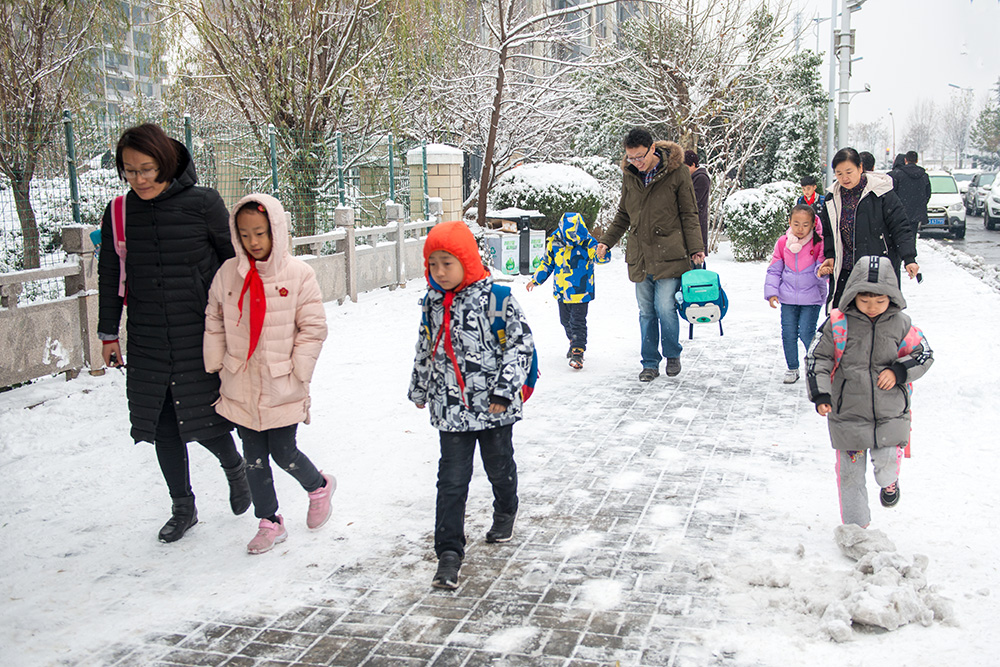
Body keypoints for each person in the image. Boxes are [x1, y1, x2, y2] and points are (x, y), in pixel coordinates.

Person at [97, 123, 249, 544]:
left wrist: (239, 326)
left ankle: (233, 466)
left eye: (146, 169)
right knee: (162, 425)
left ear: (166, 163)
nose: (139, 179)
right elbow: (110, 274)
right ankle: (183, 507)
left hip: (198, 333)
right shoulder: (120, 213)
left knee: (206, 418)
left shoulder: (204, 203)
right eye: (129, 171)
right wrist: (108, 333)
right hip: (146, 336)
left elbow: (232, 266)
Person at [203, 194, 333, 554]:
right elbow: (214, 316)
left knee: (283, 452)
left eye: (260, 233)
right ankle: (269, 521)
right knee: (253, 457)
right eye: (244, 235)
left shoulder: (298, 274)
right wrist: (216, 359)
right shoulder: (229, 273)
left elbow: (313, 328)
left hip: (282, 382)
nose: (253, 242)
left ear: (276, 230)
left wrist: (299, 371)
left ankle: (318, 486)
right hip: (240, 381)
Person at [408, 220, 534, 590]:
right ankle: (448, 552)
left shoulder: (497, 299)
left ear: (466, 259)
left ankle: (505, 508)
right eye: (433, 264)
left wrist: (503, 392)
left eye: (448, 263)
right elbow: (425, 347)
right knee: (451, 481)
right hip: (450, 410)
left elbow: (520, 345)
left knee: (499, 467)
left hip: (495, 409)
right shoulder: (432, 303)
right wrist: (419, 388)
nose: (440, 272)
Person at [805, 255, 933, 527]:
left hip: (890, 413)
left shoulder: (902, 324)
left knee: (885, 467)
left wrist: (899, 371)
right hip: (848, 414)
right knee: (850, 476)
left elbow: (925, 353)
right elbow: (818, 357)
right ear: (853, 295)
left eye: (880, 300)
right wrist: (821, 394)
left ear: (892, 298)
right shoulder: (837, 324)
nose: (872, 307)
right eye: (865, 300)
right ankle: (857, 528)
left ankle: (889, 483)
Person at [596, 128, 705, 381]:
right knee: (646, 311)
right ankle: (649, 363)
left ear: (652, 149)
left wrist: (696, 248)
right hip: (641, 255)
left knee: (665, 307)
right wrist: (606, 242)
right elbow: (624, 214)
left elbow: (689, 213)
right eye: (631, 157)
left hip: (670, 252)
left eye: (640, 157)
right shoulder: (630, 175)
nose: (636, 162)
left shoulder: (676, 172)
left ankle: (672, 353)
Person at [818, 147, 919, 309]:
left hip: (876, 266)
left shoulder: (881, 193)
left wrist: (909, 258)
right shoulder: (832, 197)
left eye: (849, 172)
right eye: (839, 173)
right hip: (846, 268)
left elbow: (900, 226)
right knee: (843, 315)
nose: (844, 178)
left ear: (860, 168)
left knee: (875, 313)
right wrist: (830, 255)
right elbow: (828, 231)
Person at [526, 212, 609, 369]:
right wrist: (536, 280)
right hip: (562, 291)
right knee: (565, 320)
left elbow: (598, 257)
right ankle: (573, 341)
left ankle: (578, 352)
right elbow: (547, 263)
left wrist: (602, 253)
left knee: (577, 321)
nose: (571, 242)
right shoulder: (555, 242)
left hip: (581, 291)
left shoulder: (588, 242)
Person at [765, 204, 829, 384]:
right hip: (788, 297)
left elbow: (823, 266)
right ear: (789, 222)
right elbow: (775, 269)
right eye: (796, 224)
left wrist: (822, 272)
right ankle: (792, 368)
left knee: (807, 333)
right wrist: (772, 292)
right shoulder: (783, 242)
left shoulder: (818, 243)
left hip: (811, 297)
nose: (800, 229)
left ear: (813, 224)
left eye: (805, 224)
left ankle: (817, 366)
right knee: (788, 333)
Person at [889, 150, 931, 236]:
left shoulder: (897, 175)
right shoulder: (924, 175)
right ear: (917, 160)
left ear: (905, 160)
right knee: (912, 237)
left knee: (900, 238)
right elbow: (927, 194)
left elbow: (892, 195)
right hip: (916, 213)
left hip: (900, 213)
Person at [684, 149, 712, 251]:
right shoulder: (691, 178)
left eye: (685, 167)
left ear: (693, 164)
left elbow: (693, 201)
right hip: (692, 224)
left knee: (696, 259)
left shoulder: (701, 178)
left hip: (697, 224)